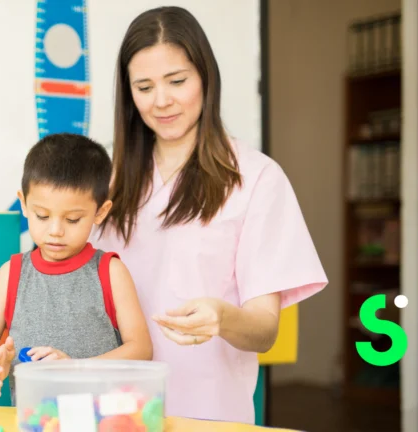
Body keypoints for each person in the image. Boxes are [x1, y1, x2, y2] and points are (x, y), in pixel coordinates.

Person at [89, 6, 328, 425]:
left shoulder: (255, 179)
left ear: (206, 77)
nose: (161, 101)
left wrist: (222, 318)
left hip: (210, 415)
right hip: (114, 412)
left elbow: (264, 331)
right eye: (143, 87)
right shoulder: (106, 181)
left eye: (177, 81)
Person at [0, 133, 153, 402]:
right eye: (42, 216)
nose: (55, 231)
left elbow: (141, 349)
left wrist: (76, 367)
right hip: (34, 420)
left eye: (73, 219)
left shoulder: (110, 273)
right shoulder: (11, 274)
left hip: (102, 420)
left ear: (100, 212)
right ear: (24, 204)